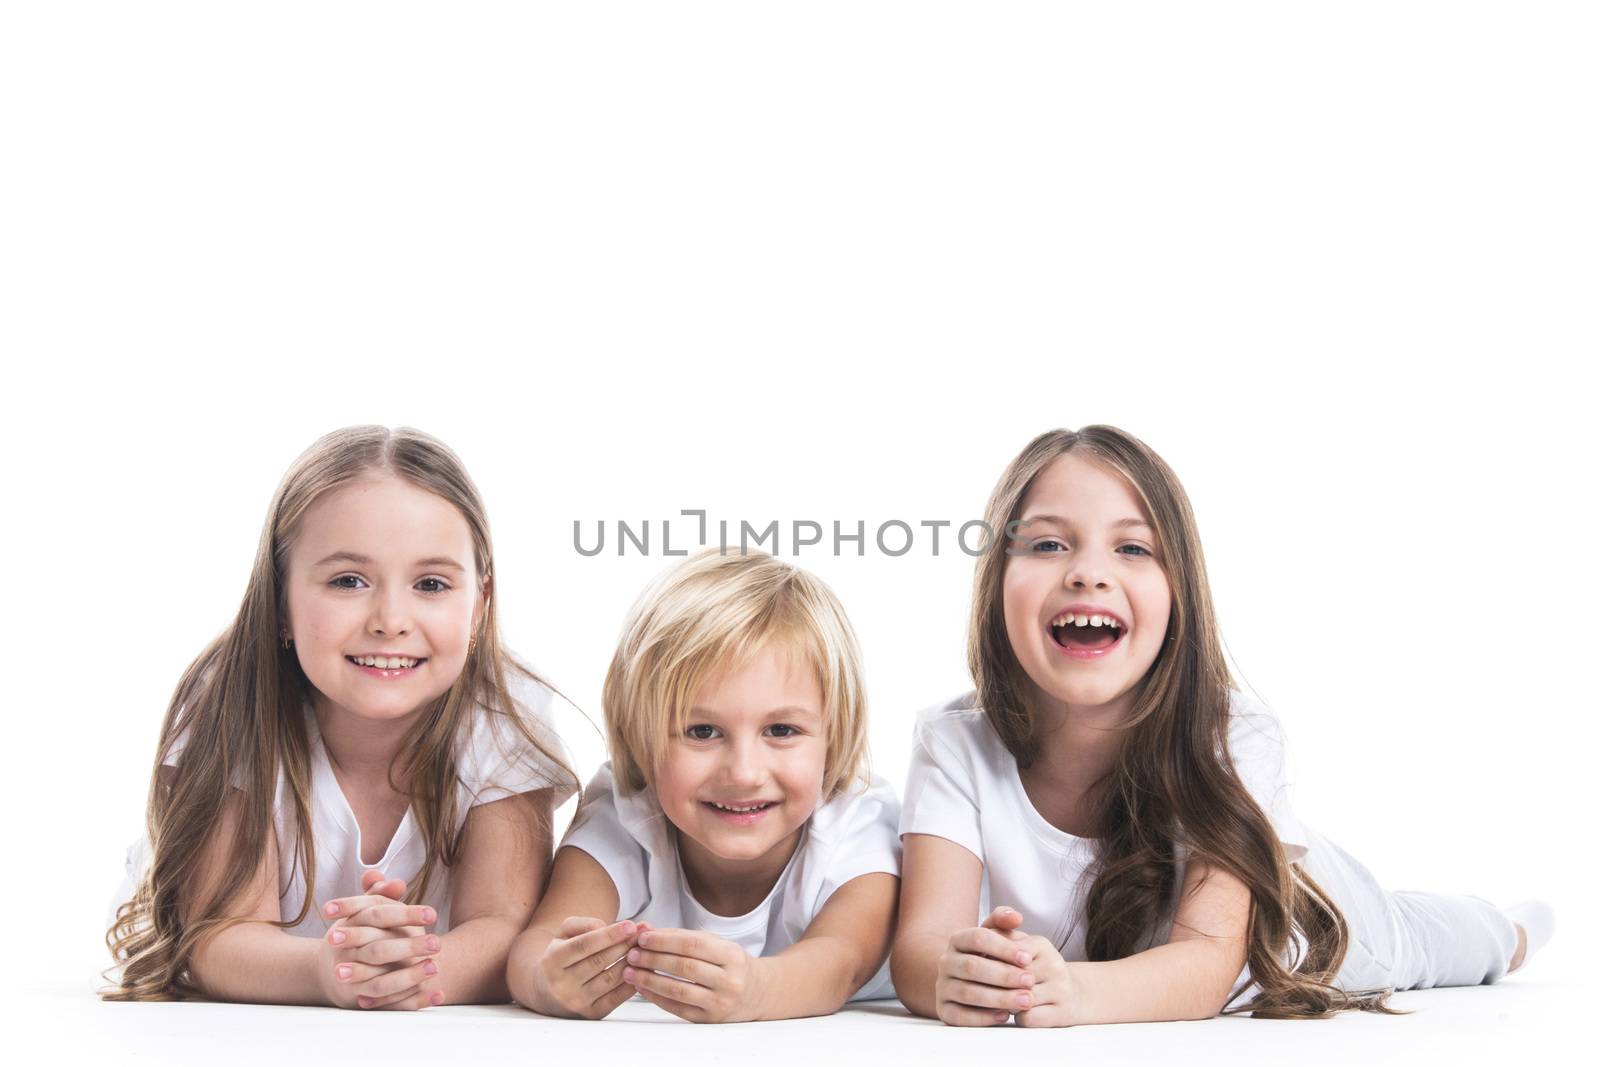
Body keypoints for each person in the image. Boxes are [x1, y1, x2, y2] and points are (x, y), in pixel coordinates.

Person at [892, 425, 1554, 1026]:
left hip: (1317, 926)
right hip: (1104, 969)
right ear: (995, 580)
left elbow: (1205, 967)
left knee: (1425, 936)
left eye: (1132, 547)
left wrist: (1078, 993)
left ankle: (1509, 929)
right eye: (1045, 543)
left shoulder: (1232, 736)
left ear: (1180, 593)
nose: (1088, 573)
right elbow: (922, 944)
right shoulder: (953, 744)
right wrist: (953, 974)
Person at [104, 425, 578, 1010]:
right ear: (280, 599)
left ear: (478, 605)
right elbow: (218, 935)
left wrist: (408, 971)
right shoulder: (230, 701)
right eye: (347, 581)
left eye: (431, 584)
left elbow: (502, 926)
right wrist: (332, 971)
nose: (390, 620)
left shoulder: (504, 711)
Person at [508, 550, 900, 1021]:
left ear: (834, 738)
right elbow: (540, 942)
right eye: (702, 732)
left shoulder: (858, 820)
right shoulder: (625, 812)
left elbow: (843, 963)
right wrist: (548, 981)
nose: (743, 773)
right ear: (640, 741)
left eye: (781, 731)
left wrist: (757, 990)